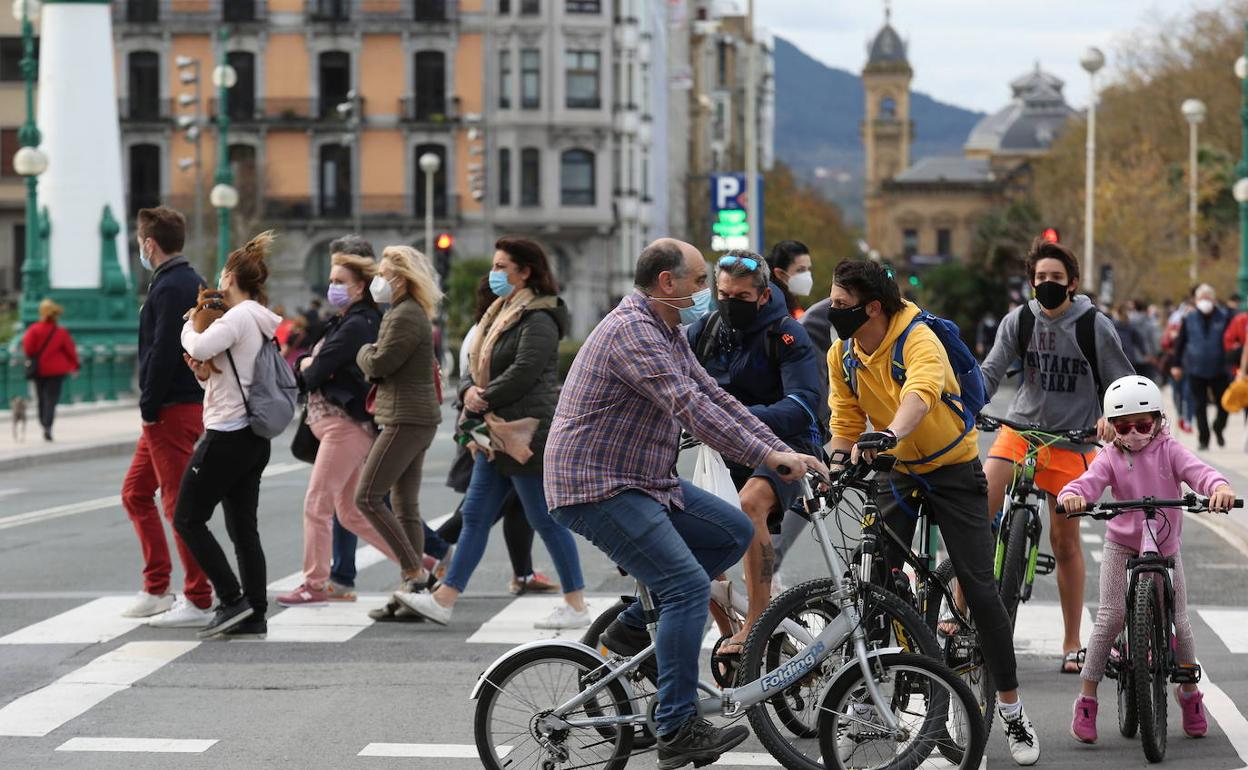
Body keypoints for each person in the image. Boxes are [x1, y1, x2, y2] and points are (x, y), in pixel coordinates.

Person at [545, 238, 825, 769]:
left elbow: (714, 396)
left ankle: (634, 626)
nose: (706, 294)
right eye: (700, 282)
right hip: (597, 485)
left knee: (732, 531)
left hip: (644, 480)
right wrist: (768, 453)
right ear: (666, 283)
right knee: (687, 588)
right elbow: (690, 407)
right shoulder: (633, 332)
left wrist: (779, 451)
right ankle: (677, 728)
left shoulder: (667, 328)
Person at [827, 258, 1041, 765]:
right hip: (897, 470)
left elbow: (920, 395)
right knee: (872, 579)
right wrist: (835, 463)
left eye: (839, 304)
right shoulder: (843, 353)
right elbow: (844, 420)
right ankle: (867, 701)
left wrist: (888, 434)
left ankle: (1011, 709)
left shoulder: (918, 338)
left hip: (951, 468)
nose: (831, 312)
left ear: (871, 307)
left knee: (980, 589)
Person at [398, 237, 588, 629]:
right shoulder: (500, 312)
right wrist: (468, 389)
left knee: (544, 520)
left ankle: (576, 604)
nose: (494, 273)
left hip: (523, 434)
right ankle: (444, 599)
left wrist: (481, 397)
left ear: (526, 272)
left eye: (502, 267)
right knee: (475, 516)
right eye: (494, 265)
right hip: (492, 433)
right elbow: (475, 360)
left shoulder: (541, 316)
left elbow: (525, 370)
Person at [979, 237, 1133, 675]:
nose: (1048, 283)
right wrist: (966, 404)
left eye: (1056, 277)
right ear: (1031, 281)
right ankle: (958, 609)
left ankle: (1071, 642)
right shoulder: (1019, 321)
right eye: (1041, 277)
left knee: (1065, 543)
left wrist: (1110, 417)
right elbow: (990, 372)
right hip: (1020, 432)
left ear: (1073, 283)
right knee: (979, 509)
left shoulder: (1094, 326)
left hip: (1071, 440)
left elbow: (1122, 383)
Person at [1059, 375, 1231, 744]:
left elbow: (1200, 473)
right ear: (1113, 427)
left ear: (1158, 420)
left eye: (1142, 424)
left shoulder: (1170, 450)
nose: (1134, 433)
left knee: (1180, 621)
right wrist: (1072, 494)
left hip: (1165, 547)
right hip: (1121, 544)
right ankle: (1087, 699)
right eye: (1124, 427)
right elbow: (1087, 482)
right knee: (1110, 616)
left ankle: (1189, 695)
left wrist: (1219, 488)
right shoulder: (1110, 455)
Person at [685, 250, 825, 654]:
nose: (731, 304)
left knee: (749, 505)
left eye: (742, 297)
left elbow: (803, 405)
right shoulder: (706, 329)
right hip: (725, 449)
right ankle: (730, 636)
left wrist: (735, 418)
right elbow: (670, 382)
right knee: (692, 533)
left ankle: (758, 622)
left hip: (788, 446)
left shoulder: (787, 333)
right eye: (724, 295)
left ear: (763, 296)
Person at [278, 238, 407, 607]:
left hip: (344, 426)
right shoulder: (345, 321)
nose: (332, 287)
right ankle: (420, 566)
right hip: (341, 426)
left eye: (340, 281)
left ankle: (315, 584)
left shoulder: (357, 325)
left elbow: (314, 371)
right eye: (331, 280)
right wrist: (308, 365)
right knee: (350, 513)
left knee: (316, 504)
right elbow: (312, 366)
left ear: (360, 286)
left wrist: (307, 365)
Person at [175, 231, 282, 639]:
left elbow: (199, 345)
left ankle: (232, 598)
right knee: (243, 530)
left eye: (223, 275)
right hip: (253, 436)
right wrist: (203, 375)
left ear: (231, 278)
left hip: (227, 435)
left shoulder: (239, 317)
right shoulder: (259, 318)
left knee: (187, 518)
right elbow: (225, 374)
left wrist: (188, 324)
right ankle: (255, 613)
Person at [119, 206, 212, 627]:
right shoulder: (188, 280)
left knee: (177, 505)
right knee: (136, 493)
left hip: (170, 408)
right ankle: (157, 588)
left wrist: (148, 405)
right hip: (178, 404)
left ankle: (198, 597)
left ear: (149, 244)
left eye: (141, 242)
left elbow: (162, 352)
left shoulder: (170, 285)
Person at [353, 245, 443, 615]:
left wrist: (363, 351)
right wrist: (373, 352)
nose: (378, 281)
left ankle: (415, 574)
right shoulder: (404, 311)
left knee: (367, 497)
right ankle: (412, 591)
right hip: (412, 416)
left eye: (383, 275)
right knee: (405, 507)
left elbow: (379, 363)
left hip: (407, 417)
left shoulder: (405, 315)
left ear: (401, 279)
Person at [1171, 284, 1233, 450]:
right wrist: (1176, 364)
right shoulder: (1189, 318)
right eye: (1202, 298)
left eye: (1208, 297)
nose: (1205, 301)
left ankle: (1218, 427)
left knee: (1224, 403)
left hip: (1220, 368)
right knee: (1200, 405)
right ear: (1196, 300)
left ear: (1213, 299)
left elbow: (1231, 340)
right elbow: (1180, 343)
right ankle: (1204, 439)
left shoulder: (1224, 317)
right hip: (1196, 369)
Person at [22, 299, 79, 442]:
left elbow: (28, 348)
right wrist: (75, 366)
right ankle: (48, 425)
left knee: (41, 397)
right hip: (56, 371)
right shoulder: (60, 332)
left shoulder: (34, 329)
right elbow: (70, 350)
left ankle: (43, 421)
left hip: (39, 370)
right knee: (51, 398)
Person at [766, 239, 813, 319]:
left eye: (808, 269)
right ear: (780, 274)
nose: (807, 275)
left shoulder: (791, 301)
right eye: (800, 270)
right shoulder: (775, 308)